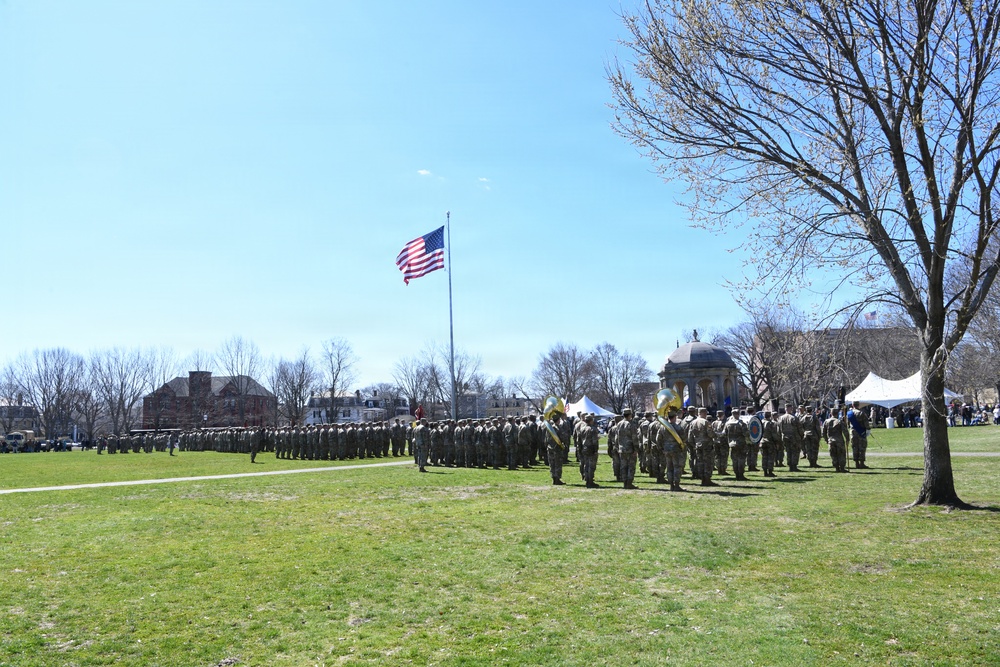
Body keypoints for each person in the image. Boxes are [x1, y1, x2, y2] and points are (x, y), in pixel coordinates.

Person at [686, 407, 718, 486]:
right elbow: (710, 434)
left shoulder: (693, 422)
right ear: (704, 413)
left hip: (698, 445)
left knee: (700, 462)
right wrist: (715, 435)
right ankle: (707, 479)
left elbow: (690, 437)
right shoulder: (706, 422)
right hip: (707, 445)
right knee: (708, 462)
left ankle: (702, 478)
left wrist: (694, 444)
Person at [615, 408, 640, 490]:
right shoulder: (631, 424)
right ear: (630, 415)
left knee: (623, 466)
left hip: (622, 449)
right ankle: (629, 483)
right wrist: (636, 449)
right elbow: (634, 438)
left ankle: (625, 482)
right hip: (630, 449)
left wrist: (618, 447)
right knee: (631, 466)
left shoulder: (619, 424)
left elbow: (616, 437)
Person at [777, 404, 804, 472]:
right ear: (790, 409)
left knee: (788, 451)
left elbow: (779, 429)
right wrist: (801, 435)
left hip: (785, 437)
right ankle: (794, 466)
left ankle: (790, 465)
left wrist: (780, 437)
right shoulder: (793, 417)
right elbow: (799, 428)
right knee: (795, 451)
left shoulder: (781, 418)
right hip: (794, 437)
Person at [823, 405, 849, 472]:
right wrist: (847, 439)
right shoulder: (839, 421)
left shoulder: (826, 421)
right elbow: (845, 431)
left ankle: (837, 467)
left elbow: (824, 432)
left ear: (831, 413)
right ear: (837, 413)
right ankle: (842, 468)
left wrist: (826, 439)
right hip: (839, 440)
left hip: (831, 440)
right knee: (841, 454)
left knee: (833, 454)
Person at [847, 401, 871, 468]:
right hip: (861, 432)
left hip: (853, 432)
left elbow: (847, 423)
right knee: (862, 447)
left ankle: (856, 463)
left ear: (852, 405)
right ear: (859, 405)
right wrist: (868, 430)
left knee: (855, 447)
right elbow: (866, 423)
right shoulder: (861, 413)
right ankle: (862, 463)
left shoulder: (849, 413)